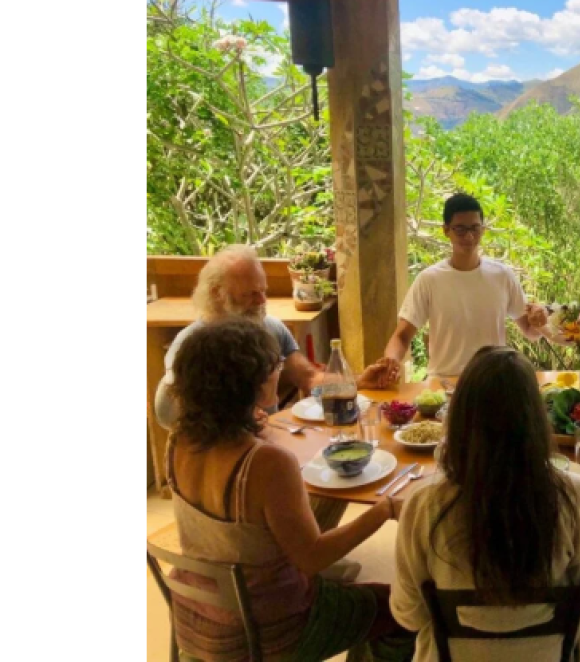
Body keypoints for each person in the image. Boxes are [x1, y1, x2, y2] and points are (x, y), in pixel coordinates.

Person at [165, 318, 414, 661]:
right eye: (274, 366)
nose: (278, 372)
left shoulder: (179, 441)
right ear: (252, 383)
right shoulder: (266, 463)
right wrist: (384, 509)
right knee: (402, 609)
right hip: (266, 631)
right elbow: (313, 558)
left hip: (195, 620)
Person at [391, 346, 580, 660]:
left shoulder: (423, 504)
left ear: (460, 419)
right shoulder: (573, 493)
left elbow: (408, 616)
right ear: (536, 420)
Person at [154, 244, 391, 429]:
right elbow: (172, 416)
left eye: (263, 291)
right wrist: (241, 420)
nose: (262, 301)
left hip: (270, 441)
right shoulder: (191, 347)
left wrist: (357, 382)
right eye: (250, 294)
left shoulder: (271, 328)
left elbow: (309, 378)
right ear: (218, 294)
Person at [371, 193, 551, 384]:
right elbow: (402, 336)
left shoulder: (502, 276)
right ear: (446, 230)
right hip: (443, 382)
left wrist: (539, 320)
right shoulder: (429, 279)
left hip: (492, 382)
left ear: (483, 229)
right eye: (460, 229)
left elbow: (531, 332)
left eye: (475, 228)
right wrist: (391, 360)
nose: (469, 236)